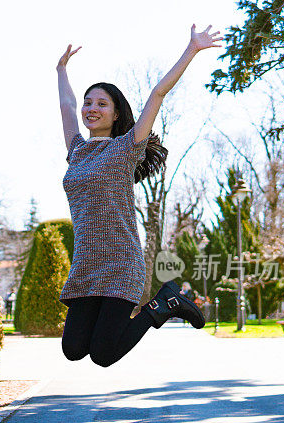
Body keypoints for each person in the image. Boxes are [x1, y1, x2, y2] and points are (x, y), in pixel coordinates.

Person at [58, 24, 221, 367]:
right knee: (73, 349)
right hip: (86, 263)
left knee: (103, 355)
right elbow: (67, 105)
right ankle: (166, 304)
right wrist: (60, 70)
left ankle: (164, 305)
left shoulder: (126, 148)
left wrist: (191, 50)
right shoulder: (77, 151)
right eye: (89, 102)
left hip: (120, 262)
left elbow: (158, 94)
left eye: (101, 103)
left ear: (116, 114)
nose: (91, 108)